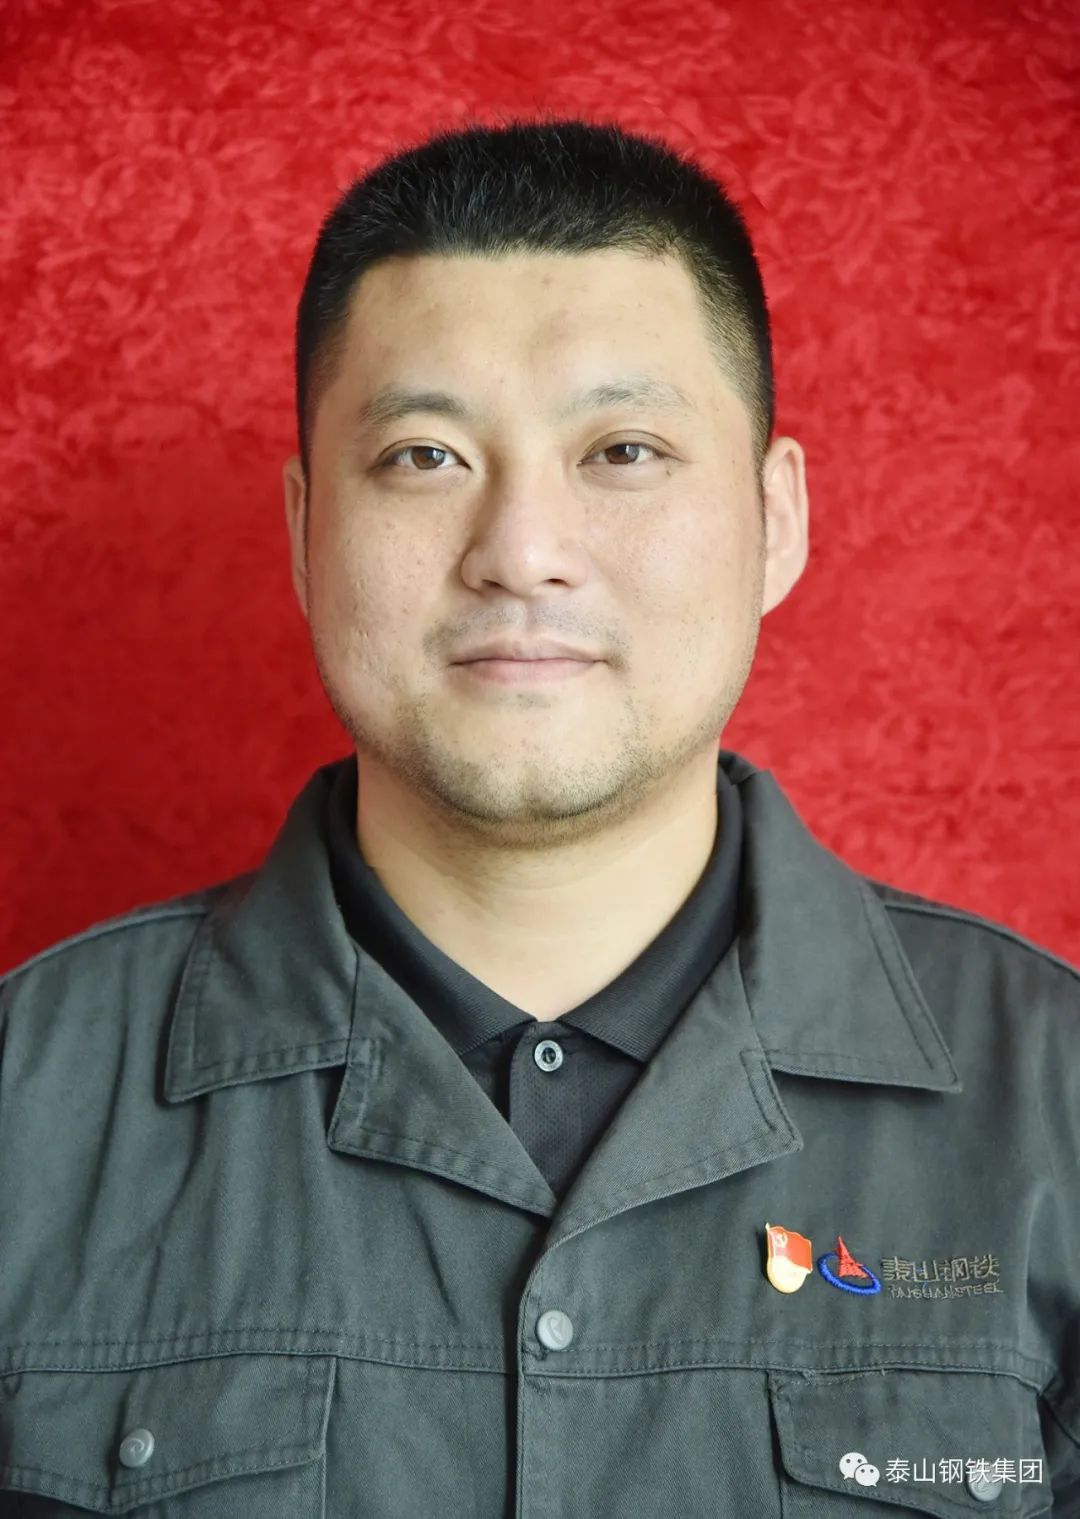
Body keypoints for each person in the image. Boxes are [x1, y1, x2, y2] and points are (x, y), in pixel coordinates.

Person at [1, 115, 1077, 1517]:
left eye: (622, 449)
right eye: (424, 456)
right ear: (305, 532)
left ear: (777, 519)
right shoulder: (28, 1100)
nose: (519, 552)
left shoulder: (1054, 1098)